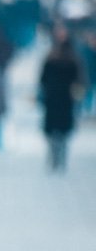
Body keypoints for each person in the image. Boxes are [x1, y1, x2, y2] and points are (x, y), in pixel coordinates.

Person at [38, 28, 84, 173]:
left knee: (52, 130)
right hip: (66, 99)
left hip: (52, 99)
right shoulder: (73, 60)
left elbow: (42, 80)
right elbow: (80, 80)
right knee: (64, 130)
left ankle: (54, 155)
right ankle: (62, 155)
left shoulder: (50, 59)